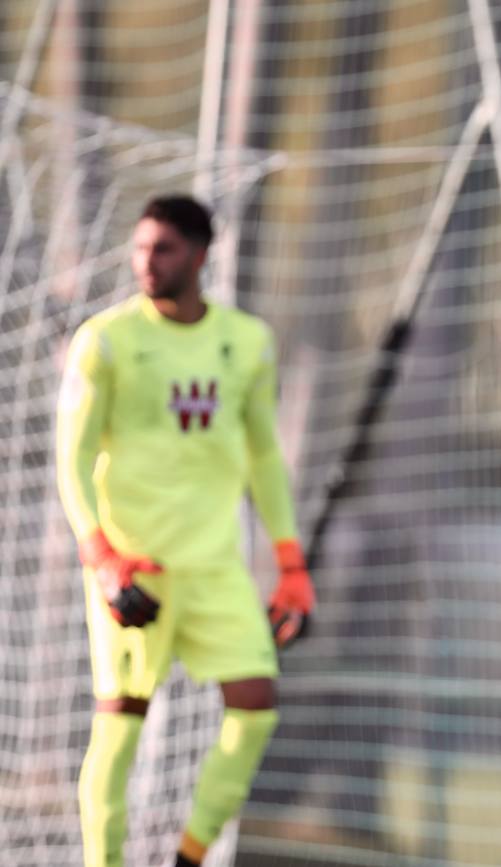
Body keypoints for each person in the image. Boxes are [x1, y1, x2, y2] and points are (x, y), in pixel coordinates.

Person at [55, 195, 315, 867]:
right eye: (141, 247)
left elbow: (262, 455)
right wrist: (102, 556)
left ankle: (189, 855)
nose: (147, 261)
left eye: (163, 248)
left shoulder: (247, 341)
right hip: (133, 568)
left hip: (215, 567)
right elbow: (74, 456)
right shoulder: (106, 340)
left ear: (200, 255)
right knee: (119, 726)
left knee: (255, 708)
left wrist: (290, 563)